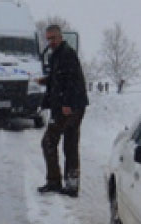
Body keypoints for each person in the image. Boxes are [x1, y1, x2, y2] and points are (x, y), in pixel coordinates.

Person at [37, 24, 89, 198]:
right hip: (64, 106)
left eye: (53, 38)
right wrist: (46, 81)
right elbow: (59, 78)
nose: (50, 41)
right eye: (48, 38)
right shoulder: (56, 56)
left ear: (60, 37)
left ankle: (63, 183)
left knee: (59, 143)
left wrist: (68, 104)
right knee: (59, 143)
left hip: (70, 107)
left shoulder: (67, 54)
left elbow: (73, 81)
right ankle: (62, 183)